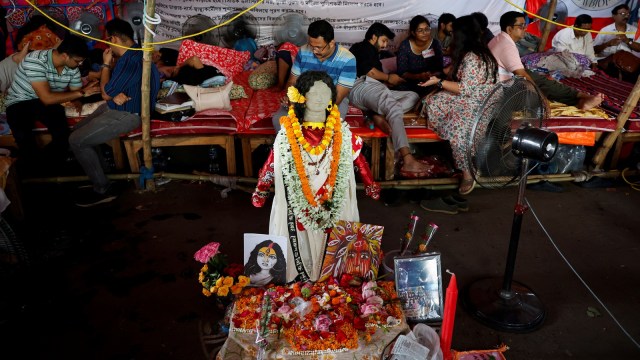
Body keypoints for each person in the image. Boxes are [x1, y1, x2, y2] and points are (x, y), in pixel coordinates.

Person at [252, 71, 379, 282]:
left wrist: (370, 184)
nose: (319, 98)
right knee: (299, 231)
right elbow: (271, 165)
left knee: (335, 226)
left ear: (332, 99)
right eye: (313, 92)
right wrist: (261, 190)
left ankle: (335, 275)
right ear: (301, 97)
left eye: (325, 93)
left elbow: (360, 162)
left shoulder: (344, 135)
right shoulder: (286, 136)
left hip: (333, 207)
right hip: (298, 209)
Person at [69, 19, 160, 207]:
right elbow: (111, 93)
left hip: (128, 114)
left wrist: (105, 65)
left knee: (76, 141)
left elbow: (105, 93)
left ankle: (102, 189)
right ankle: (103, 177)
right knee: (77, 131)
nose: (107, 44)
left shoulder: (130, 60)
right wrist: (112, 92)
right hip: (116, 107)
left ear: (115, 39)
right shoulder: (134, 56)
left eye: (108, 39)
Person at [419, 15, 499, 195]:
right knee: (433, 101)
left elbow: (464, 88)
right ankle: (461, 156)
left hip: (477, 103)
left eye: (455, 33)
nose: (452, 36)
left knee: (457, 129)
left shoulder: (472, 57)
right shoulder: (479, 52)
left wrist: (438, 82)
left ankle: (467, 172)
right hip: (476, 98)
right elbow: (459, 77)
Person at [5, 35, 101, 171]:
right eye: (77, 61)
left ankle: (47, 170)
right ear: (65, 56)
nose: (80, 64)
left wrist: (77, 100)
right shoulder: (36, 61)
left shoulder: (72, 67)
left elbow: (75, 91)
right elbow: (46, 98)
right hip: (20, 101)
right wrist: (82, 93)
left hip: (48, 102)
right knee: (24, 138)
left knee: (62, 136)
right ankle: (36, 171)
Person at [348, 23, 430, 178]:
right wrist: (388, 78)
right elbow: (370, 72)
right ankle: (407, 159)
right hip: (361, 85)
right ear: (373, 37)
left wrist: (390, 81)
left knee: (412, 96)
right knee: (392, 107)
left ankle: (377, 114)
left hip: (371, 88)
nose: (385, 45)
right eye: (383, 40)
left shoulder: (373, 52)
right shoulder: (363, 47)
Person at [489, 11, 603, 110]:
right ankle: (580, 99)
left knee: (541, 79)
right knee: (540, 86)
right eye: (521, 26)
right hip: (503, 89)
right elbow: (522, 75)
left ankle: (580, 98)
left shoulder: (499, 38)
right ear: (509, 29)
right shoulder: (507, 46)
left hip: (504, 81)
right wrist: (541, 97)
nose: (525, 29)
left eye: (525, 25)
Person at [271, 20, 356, 130]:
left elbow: (338, 97)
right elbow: (292, 81)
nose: (314, 51)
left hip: (330, 100)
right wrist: (291, 97)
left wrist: (307, 109)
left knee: (331, 126)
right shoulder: (303, 52)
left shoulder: (348, 59)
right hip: (302, 97)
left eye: (319, 47)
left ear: (331, 43)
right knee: (280, 120)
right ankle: (292, 147)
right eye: (311, 46)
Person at [395, 15, 444, 97]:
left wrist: (430, 75)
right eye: (420, 30)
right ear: (413, 33)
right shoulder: (405, 46)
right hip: (410, 82)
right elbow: (402, 73)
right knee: (400, 88)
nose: (425, 33)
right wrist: (418, 76)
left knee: (440, 89)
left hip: (431, 81)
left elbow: (439, 68)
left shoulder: (435, 44)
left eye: (427, 29)